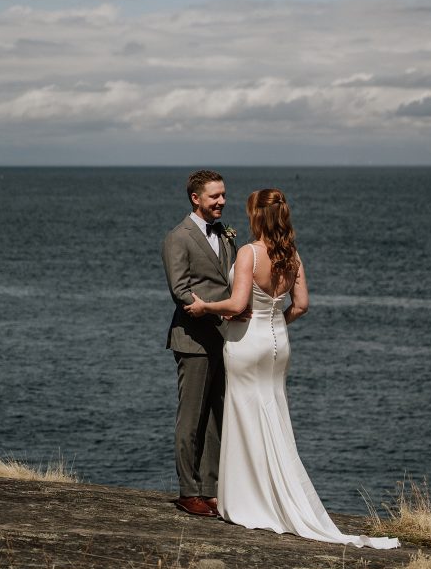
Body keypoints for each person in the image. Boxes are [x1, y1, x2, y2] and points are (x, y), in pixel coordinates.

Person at [184, 188, 399, 548]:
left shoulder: (250, 252)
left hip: (246, 343)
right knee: (274, 414)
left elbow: (237, 305)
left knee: (245, 416)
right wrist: (275, 320)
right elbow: (301, 305)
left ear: (258, 216)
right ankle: (278, 495)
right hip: (278, 343)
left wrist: (205, 308)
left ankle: (249, 500)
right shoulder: (292, 255)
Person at [162, 169, 238, 517]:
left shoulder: (224, 234)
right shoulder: (178, 237)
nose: (222, 201)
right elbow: (180, 290)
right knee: (190, 419)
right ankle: (188, 491)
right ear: (196, 198)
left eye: (223, 195)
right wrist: (220, 313)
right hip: (193, 339)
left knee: (216, 418)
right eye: (214, 196)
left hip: (223, 339)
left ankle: (210, 488)